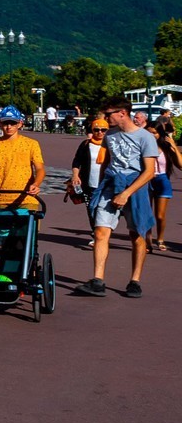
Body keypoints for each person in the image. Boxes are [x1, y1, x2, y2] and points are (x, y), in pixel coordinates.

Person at [74, 98, 160, 298]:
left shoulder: (145, 137)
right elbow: (107, 163)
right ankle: (97, 280)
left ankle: (135, 280)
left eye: (109, 113)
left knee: (136, 234)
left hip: (135, 187)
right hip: (111, 184)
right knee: (100, 231)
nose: (105, 118)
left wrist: (126, 193)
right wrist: (102, 184)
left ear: (122, 113)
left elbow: (149, 172)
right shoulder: (110, 136)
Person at [65, 115, 109, 236]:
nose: (100, 132)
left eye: (103, 130)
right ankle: (96, 233)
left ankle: (101, 235)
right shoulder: (86, 145)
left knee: (104, 210)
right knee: (91, 209)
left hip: (106, 184)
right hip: (89, 183)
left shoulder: (111, 145)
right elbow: (77, 161)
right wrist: (75, 175)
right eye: (96, 130)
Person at [150, 114, 179, 252]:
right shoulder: (142, 146)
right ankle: (147, 240)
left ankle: (160, 238)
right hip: (146, 180)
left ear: (159, 133)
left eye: (154, 133)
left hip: (161, 179)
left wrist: (173, 145)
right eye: (148, 133)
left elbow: (180, 164)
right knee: (146, 214)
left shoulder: (165, 146)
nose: (151, 136)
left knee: (160, 215)